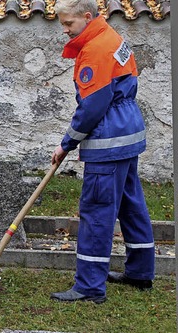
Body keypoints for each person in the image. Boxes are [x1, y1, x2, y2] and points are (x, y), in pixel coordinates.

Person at [49, 0, 155, 304]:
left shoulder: (95, 50)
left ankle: (89, 287)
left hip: (107, 141)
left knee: (96, 211)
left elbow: (92, 107)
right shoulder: (113, 37)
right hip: (128, 135)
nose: (65, 31)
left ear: (86, 17)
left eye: (69, 24)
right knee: (131, 205)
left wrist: (66, 142)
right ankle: (140, 272)